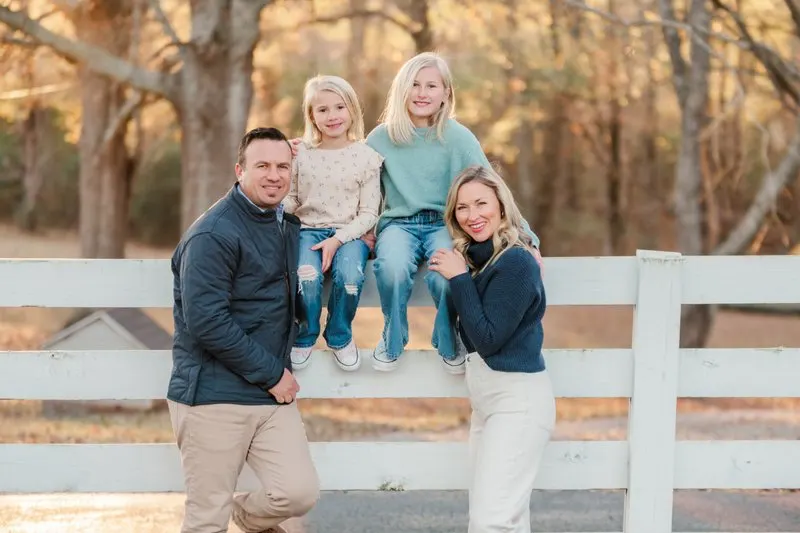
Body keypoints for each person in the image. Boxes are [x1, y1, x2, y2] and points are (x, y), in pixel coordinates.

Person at [167, 127, 319, 533]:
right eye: (262, 166)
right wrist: (273, 376)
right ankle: (222, 513)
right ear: (239, 170)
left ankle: (244, 516)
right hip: (213, 396)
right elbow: (206, 322)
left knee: (298, 494)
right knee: (206, 518)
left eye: (283, 166)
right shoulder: (213, 234)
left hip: (269, 399)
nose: (274, 175)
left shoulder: (284, 223)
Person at [364, 51, 541, 374]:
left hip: (442, 225)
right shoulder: (380, 138)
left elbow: (493, 188)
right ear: (402, 90)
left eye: (432, 86)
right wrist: (307, 147)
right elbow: (354, 182)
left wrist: (526, 237)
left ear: (446, 93)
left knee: (449, 276)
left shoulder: (458, 137)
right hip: (397, 226)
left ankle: (447, 338)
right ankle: (393, 335)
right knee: (391, 268)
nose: (422, 93)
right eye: (414, 85)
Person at [429, 165, 555, 533]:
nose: (473, 215)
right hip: (488, 402)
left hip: (518, 402)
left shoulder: (515, 262)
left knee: (491, 521)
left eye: (481, 203)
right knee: (505, 520)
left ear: (501, 204)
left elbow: (487, 338)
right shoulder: (477, 259)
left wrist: (459, 279)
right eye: (462, 208)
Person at [284, 75, 383, 372]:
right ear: (312, 116)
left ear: (352, 109)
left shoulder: (366, 157)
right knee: (307, 277)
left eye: (339, 107)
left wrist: (338, 239)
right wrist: (273, 207)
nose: (332, 116)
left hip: (350, 234)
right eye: (322, 110)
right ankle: (306, 333)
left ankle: (339, 334)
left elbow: (369, 213)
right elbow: (291, 197)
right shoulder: (300, 154)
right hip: (307, 231)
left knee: (350, 277)